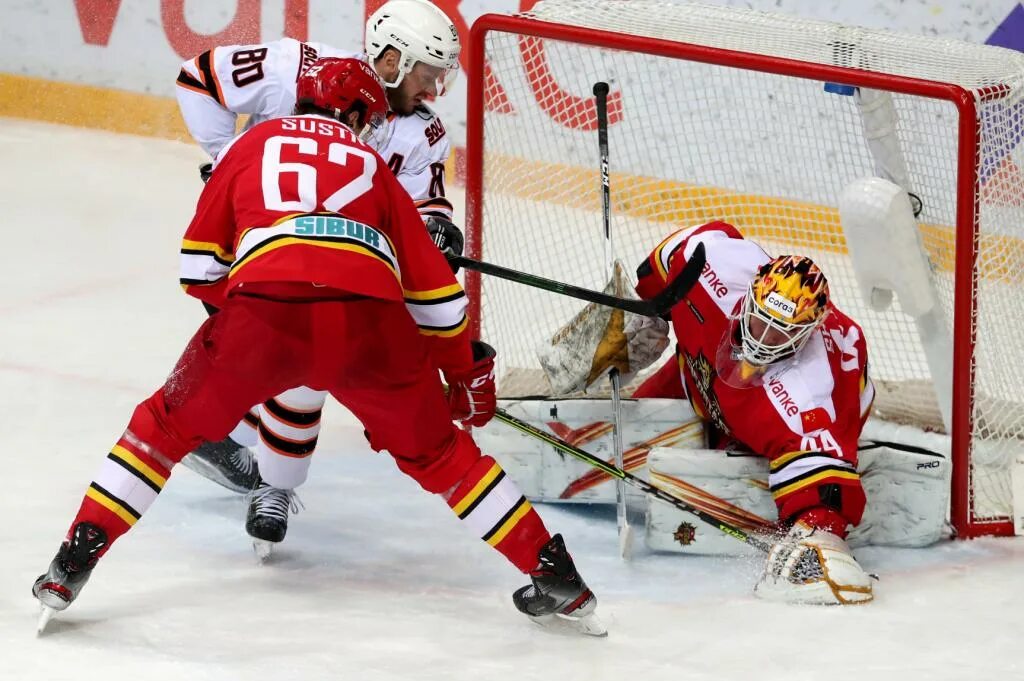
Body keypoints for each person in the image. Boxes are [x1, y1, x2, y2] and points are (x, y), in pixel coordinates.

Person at [32, 57, 602, 636]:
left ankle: (72, 561)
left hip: (262, 317)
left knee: (161, 428)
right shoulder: (374, 166)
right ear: (354, 112)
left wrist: (249, 320)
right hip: (371, 329)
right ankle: (554, 571)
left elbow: (199, 270)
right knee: (443, 457)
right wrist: (463, 371)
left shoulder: (249, 147)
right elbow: (440, 304)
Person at [174, 0, 466, 547]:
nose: (431, 91)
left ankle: (236, 446)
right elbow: (199, 79)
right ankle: (267, 478)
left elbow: (427, 202)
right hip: (262, 238)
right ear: (391, 60)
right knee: (297, 351)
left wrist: (437, 230)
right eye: (427, 75)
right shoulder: (296, 67)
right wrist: (225, 161)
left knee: (302, 351)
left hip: (338, 253)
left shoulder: (423, 133)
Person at [627, 220, 875, 604]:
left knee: (783, 451)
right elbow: (686, 245)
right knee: (648, 403)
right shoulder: (714, 267)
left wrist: (820, 530)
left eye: (779, 334)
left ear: (804, 334)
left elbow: (827, 492)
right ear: (751, 298)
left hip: (811, 409)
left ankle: (742, 442)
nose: (762, 339)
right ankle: (712, 417)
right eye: (759, 322)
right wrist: (651, 309)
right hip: (700, 376)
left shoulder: (809, 394)